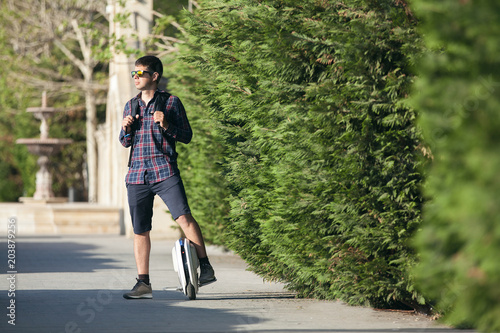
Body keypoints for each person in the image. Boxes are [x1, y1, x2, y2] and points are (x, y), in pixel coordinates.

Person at [119, 55, 216, 299]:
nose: (136, 77)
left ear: (154, 76)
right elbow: (125, 142)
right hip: (137, 174)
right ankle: (143, 283)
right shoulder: (130, 105)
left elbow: (186, 136)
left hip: (165, 170)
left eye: (140, 73)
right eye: (134, 73)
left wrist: (166, 125)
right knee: (140, 229)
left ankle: (205, 267)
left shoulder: (171, 102)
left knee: (183, 217)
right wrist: (125, 129)